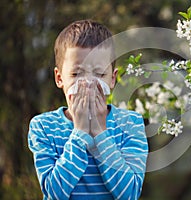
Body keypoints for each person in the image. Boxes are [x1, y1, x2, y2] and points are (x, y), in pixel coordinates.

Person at [28, 19, 148, 200]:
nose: (89, 84)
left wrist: (100, 132)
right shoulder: (43, 126)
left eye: (99, 74)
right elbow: (54, 193)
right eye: (76, 74)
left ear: (112, 79)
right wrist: (80, 132)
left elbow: (129, 194)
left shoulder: (130, 123)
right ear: (59, 78)